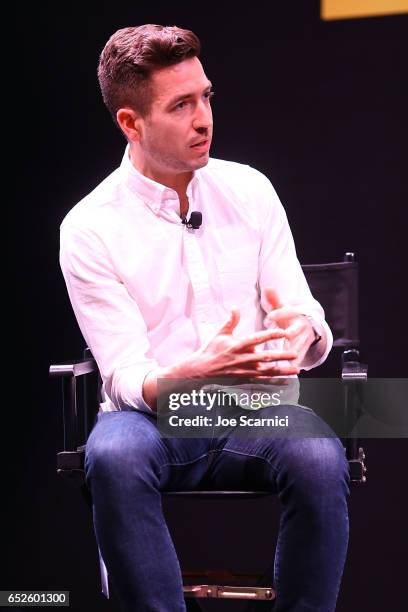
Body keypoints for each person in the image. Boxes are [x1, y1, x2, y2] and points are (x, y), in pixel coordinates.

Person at [59, 24, 349, 612]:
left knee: (321, 453)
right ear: (130, 124)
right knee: (112, 455)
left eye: (206, 97)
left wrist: (299, 334)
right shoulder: (89, 228)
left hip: (255, 410)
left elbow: (301, 309)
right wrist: (191, 373)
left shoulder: (250, 190)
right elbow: (122, 375)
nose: (204, 119)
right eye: (181, 105)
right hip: (152, 415)